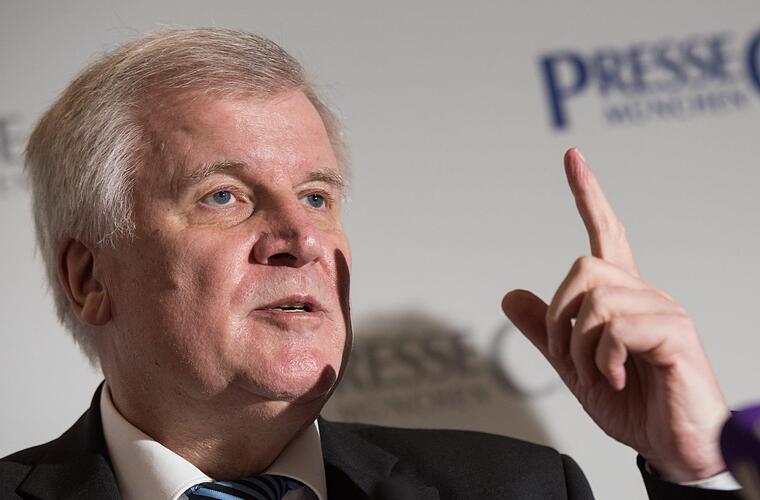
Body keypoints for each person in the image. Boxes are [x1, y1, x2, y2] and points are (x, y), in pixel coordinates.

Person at [0, 28, 742, 500]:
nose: (300, 237)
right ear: (89, 278)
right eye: (224, 196)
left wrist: (696, 468)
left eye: (316, 197)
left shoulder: (517, 488)